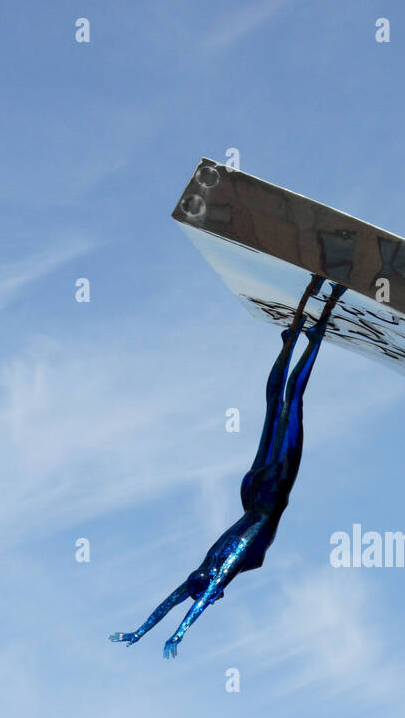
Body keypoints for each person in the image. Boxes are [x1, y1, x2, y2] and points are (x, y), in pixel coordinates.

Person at [110, 276, 346, 659]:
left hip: (263, 490)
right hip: (264, 487)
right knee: (283, 403)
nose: (210, 594)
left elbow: (178, 603)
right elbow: (184, 602)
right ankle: (311, 325)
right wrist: (165, 633)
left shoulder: (208, 574)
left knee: (284, 403)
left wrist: (154, 632)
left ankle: (306, 330)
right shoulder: (215, 573)